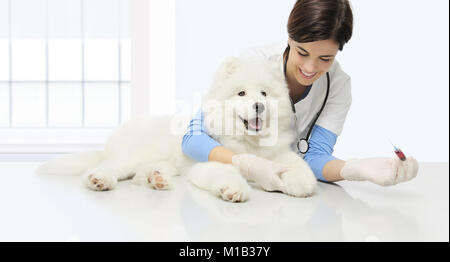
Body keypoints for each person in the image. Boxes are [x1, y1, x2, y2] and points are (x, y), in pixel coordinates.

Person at [181, 0, 419, 192]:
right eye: (302, 52)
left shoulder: (338, 86)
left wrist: (355, 169)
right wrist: (243, 163)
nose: (310, 67)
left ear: (338, 51)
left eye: (325, 58)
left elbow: (314, 156)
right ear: (289, 38)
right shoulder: (255, 64)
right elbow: (192, 137)